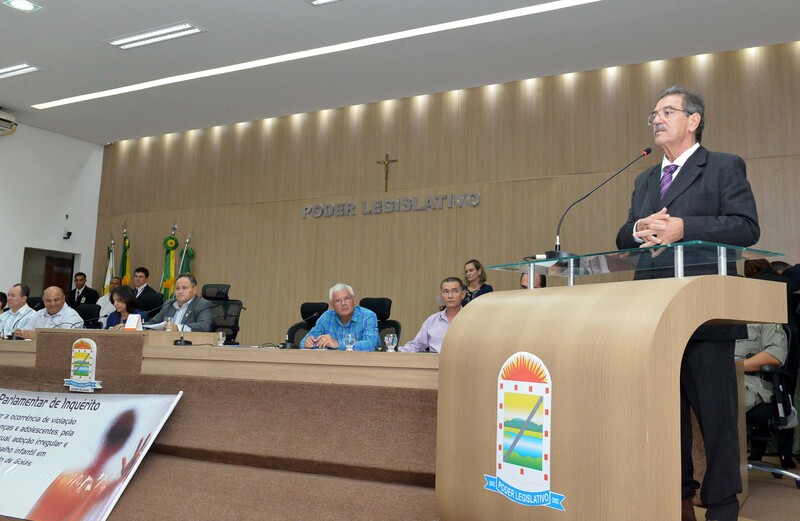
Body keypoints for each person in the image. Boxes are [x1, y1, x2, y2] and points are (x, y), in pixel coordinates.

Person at [616, 85, 759, 521]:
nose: (657, 119)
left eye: (667, 112)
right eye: (654, 114)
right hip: (651, 318)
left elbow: (746, 227)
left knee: (717, 421)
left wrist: (685, 227)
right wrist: (638, 229)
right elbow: (624, 236)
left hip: (704, 317)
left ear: (693, 120)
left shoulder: (723, 166)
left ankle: (721, 507)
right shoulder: (644, 179)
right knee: (665, 420)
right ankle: (676, 501)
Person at [301, 283, 378, 351]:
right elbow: (303, 342)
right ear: (332, 306)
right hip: (331, 361)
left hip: (361, 361)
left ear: (354, 300)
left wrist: (338, 344)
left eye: (347, 299)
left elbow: (371, 344)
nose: (343, 303)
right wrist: (307, 343)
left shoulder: (368, 316)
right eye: (338, 301)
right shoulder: (326, 317)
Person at [399, 277, 464, 353]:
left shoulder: (471, 320)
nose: (450, 296)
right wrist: (396, 351)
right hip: (434, 360)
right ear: (441, 296)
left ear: (463, 294)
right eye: (446, 292)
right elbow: (416, 345)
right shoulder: (432, 320)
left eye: (455, 291)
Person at [144, 274, 214, 332]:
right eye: (177, 288)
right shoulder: (169, 304)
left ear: (194, 290)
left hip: (189, 343)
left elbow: (204, 326)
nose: (180, 291)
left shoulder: (203, 304)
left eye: (184, 288)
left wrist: (178, 327)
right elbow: (153, 323)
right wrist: (139, 324)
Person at [15, 286, 83, 338]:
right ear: (43, 301)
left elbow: (65, 339)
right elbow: (27, 330)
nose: (52, 304)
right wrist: (21, 333)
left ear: (63, 299)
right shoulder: (38, 314)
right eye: (48, 301)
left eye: (56, 300)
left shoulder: (71, 316)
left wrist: (36, 336)